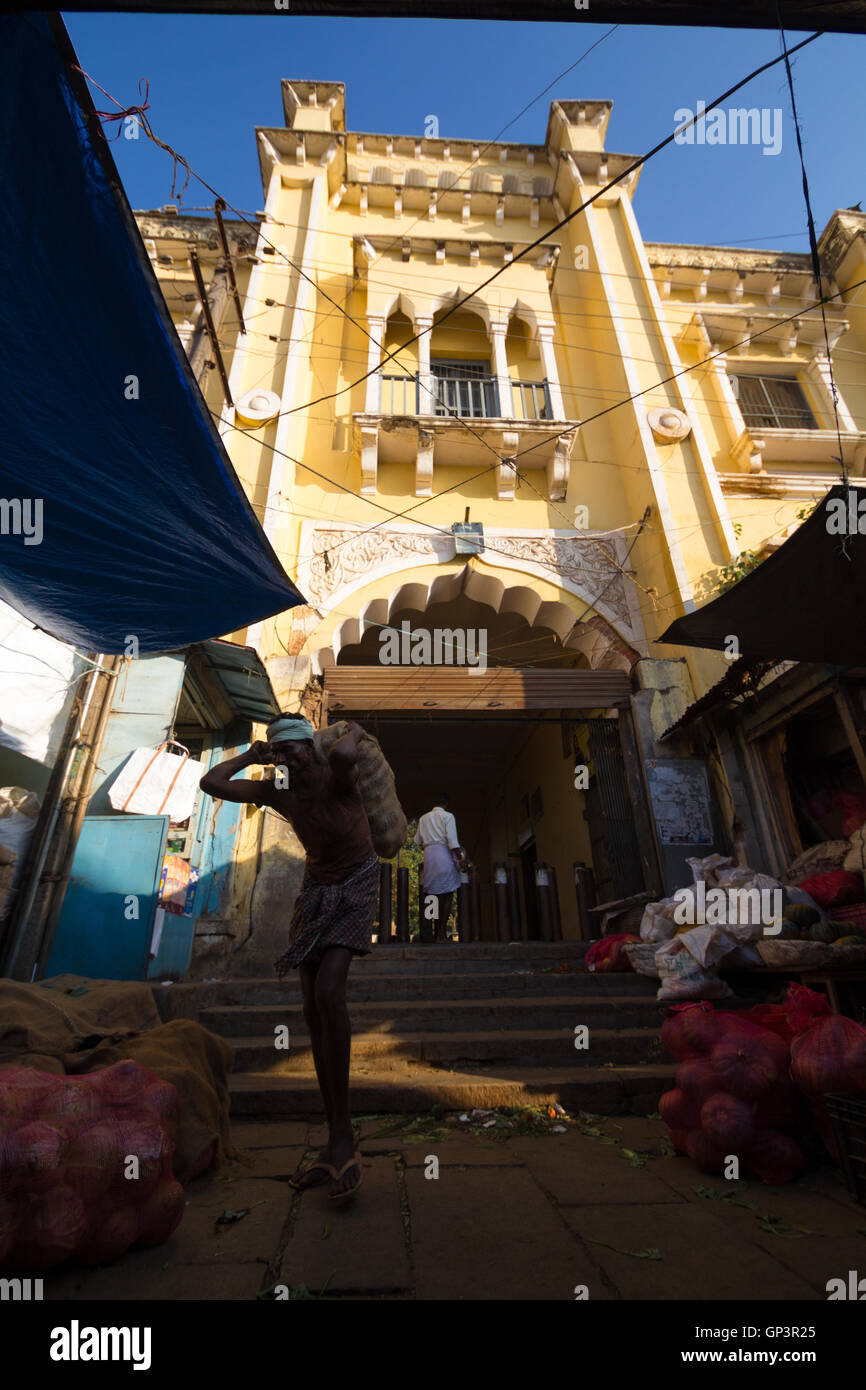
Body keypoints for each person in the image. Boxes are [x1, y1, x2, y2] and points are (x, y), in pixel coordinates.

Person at [198, 713, 377, 1202]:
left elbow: (342, 752)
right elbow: (211, 782)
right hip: (316, 886)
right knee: (310, 1008)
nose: (285, 760)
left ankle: (343, 1138)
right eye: (279, 753)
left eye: (292, 750)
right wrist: (254, 756)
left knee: (329, 991)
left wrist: (354, 730)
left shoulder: (336, 773)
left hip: (358, 882)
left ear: (309, 748)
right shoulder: (277, 786)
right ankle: (335, 1136)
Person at [414, 794, 466, 943]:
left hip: (429, 856)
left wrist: (429, 847)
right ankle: (441, 934)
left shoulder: (423, 818)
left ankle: (429, 933)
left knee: (432, 895)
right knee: (448, 895)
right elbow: (452, 840)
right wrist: (460, 858)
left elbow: (417, 840)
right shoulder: (448, 816)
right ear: (446, 804)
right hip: (444, 855)